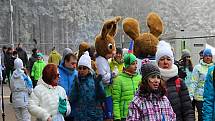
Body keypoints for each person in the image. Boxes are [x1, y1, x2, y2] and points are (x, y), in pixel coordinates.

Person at [155, 40, 194, 121]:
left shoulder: (179, 83)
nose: (165, 62)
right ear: (157, 62)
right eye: (162, 59)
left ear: (172, 61)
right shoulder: (152, 82)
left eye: (168, 59)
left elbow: (188, 110)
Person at [70, 51, 105, 121]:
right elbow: (72, 99)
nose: (81, 70)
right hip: (81, 117)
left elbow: (102, 97)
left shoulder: (95, 79)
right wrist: (76, 87)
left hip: (95, 116)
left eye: (84, 68)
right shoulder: (76, 80)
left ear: (89, 69)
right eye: (80, 68)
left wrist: (98, 85)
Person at [112, 53, 141, 121]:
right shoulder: (118, 79)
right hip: (125, 116)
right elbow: (116, 101)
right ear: (127, 65)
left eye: (136, 63)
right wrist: (117, 118)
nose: (136, 66)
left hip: (138, 114)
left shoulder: (140, 78)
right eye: (133, 64)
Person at [191, 48, 214, 121]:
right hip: (200, 97)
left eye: (209, 56)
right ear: (203, 57)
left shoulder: (213, 68)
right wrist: (191, 95)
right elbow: (193, 82)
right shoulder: (197, 67)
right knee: (202, 117)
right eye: (206, 55)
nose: (208, 57)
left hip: (211, 96)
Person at [58, 48, 78, 121]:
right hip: (61, 110)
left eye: (75, 63)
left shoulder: (77, 74)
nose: (75, 66)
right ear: (65, 60)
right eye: (72, 63)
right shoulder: (57, 72)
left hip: (74, 110)